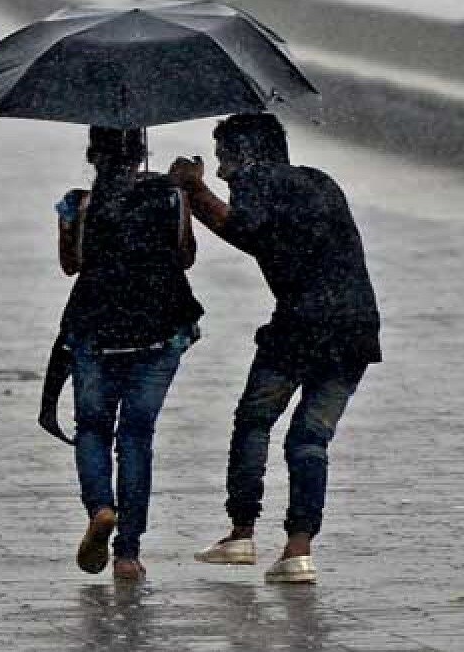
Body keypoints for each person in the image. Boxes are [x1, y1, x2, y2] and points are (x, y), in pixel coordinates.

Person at [169, 112, 381, 584]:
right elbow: (271, 239)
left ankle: (241, 532)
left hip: (303, 326)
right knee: (310, 438)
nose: (222, 171)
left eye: (224, 159)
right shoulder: (318, 182)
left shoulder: (257, 178)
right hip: (357, 327)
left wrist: (193, 190)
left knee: (254, 422)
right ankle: (298, 551)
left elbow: (246, 230)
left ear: (246, 154)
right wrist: (198, 194)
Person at [50, 127, 203, 581]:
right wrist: (181, 192)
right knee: (136, 436)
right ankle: (128, 553)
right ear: (141, 154)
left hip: (95, 329)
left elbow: (70, 265)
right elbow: (186, 257)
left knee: (93, 429)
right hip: (158, 331)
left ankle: (100, 507)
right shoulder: (170, 197)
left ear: (92, 155)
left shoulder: (78, 203)